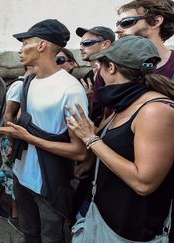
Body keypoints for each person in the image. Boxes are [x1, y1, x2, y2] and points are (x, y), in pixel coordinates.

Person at [66, 35, 174, 242]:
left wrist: (91, 139)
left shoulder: (155, 111)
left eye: (100, 66)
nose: (98, 73)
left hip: (128, 232)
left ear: (112, 68)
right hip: (101, 216)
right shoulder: (126, 102)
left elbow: (144, 183)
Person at [0, 19, 88, 243]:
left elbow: (79, 151)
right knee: (29, 234)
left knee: (51, 238)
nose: (20, 49)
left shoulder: (71, 89)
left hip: (48, 183)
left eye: (25, 42)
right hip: (20, 175)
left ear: (42, 46)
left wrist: (29, 138)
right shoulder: (29, 82)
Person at [0, 66, 32, 235]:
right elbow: (8, 116)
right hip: (11, 138)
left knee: (5, 170)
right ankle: (14, 215)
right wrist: (12, 142)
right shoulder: (19, 86)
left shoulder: (26, 84)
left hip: (12, 137)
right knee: (12, 172)